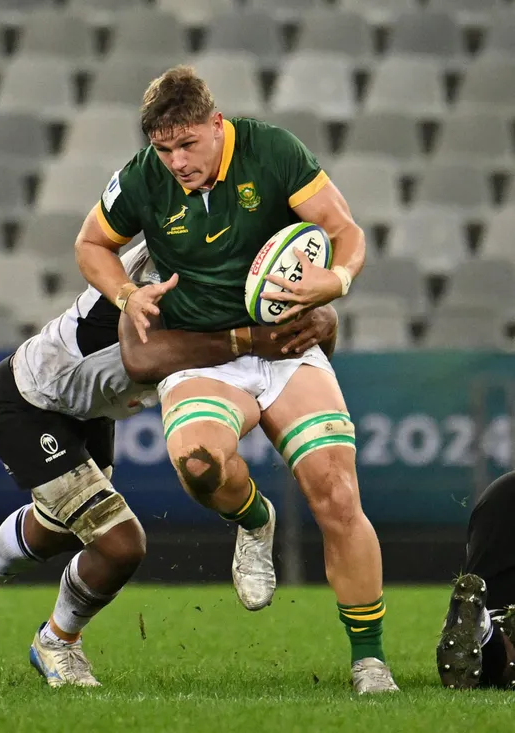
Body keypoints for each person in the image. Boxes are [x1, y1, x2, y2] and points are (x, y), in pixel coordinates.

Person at [75, 65, 398, 694]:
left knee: (337, 494)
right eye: (164, 149)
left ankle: (370, 661)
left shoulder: (272, 151)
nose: (176, 161)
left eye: (187, 144)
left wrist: (337, 280)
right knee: (198, 466)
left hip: (284, 345)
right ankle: (254, 519)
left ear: (216, 124)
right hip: (201, 354)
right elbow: (91, 244)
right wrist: (126, 295)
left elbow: (345, 230)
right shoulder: (142, 177)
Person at [0, 241, 338, 687]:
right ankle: (57, 642)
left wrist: (321, 318)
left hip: (90, 409)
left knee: (61, 526)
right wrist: (255, 340)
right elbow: (145, 359)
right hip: (32, 400)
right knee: (120, 544)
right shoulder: (169, 262)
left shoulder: (223, 249)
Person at [437, 471, 515, 689]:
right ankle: (489, 634)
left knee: (500, 627)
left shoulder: (503, 488)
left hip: (499, 505)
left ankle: (486, 628)